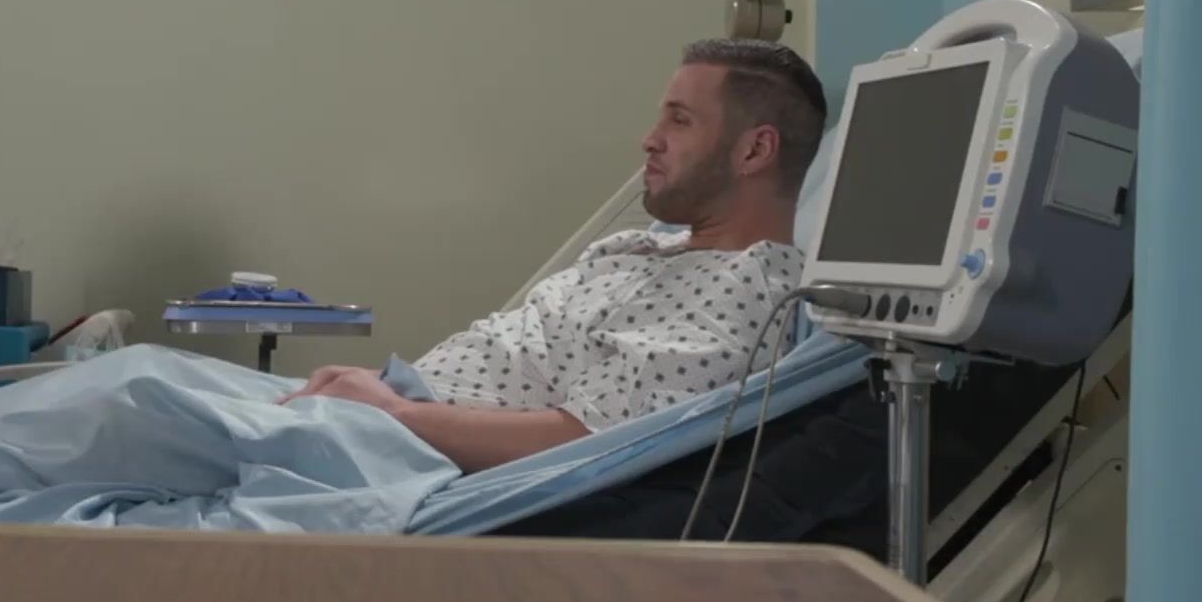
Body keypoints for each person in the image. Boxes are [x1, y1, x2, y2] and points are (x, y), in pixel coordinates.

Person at [282, 38, 829, 473]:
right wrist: (375, 393)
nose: (649, 139)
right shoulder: (644, 249)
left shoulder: (743, 291)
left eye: (680, 120)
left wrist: (392, 413)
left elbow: (587, 439)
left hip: (404, 450)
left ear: (755, 150)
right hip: (380, 414)